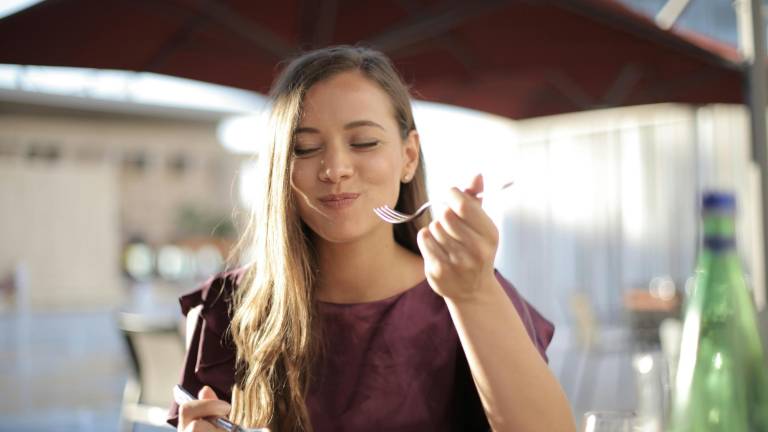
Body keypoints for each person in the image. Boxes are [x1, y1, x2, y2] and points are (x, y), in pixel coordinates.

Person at [168, 45, 575, 432]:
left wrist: (474, 294)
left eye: (364, 142)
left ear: (409, 156)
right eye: (306, 148)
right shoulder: (228, 308)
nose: (335, 169)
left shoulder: (468, 291)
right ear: (280, 171)